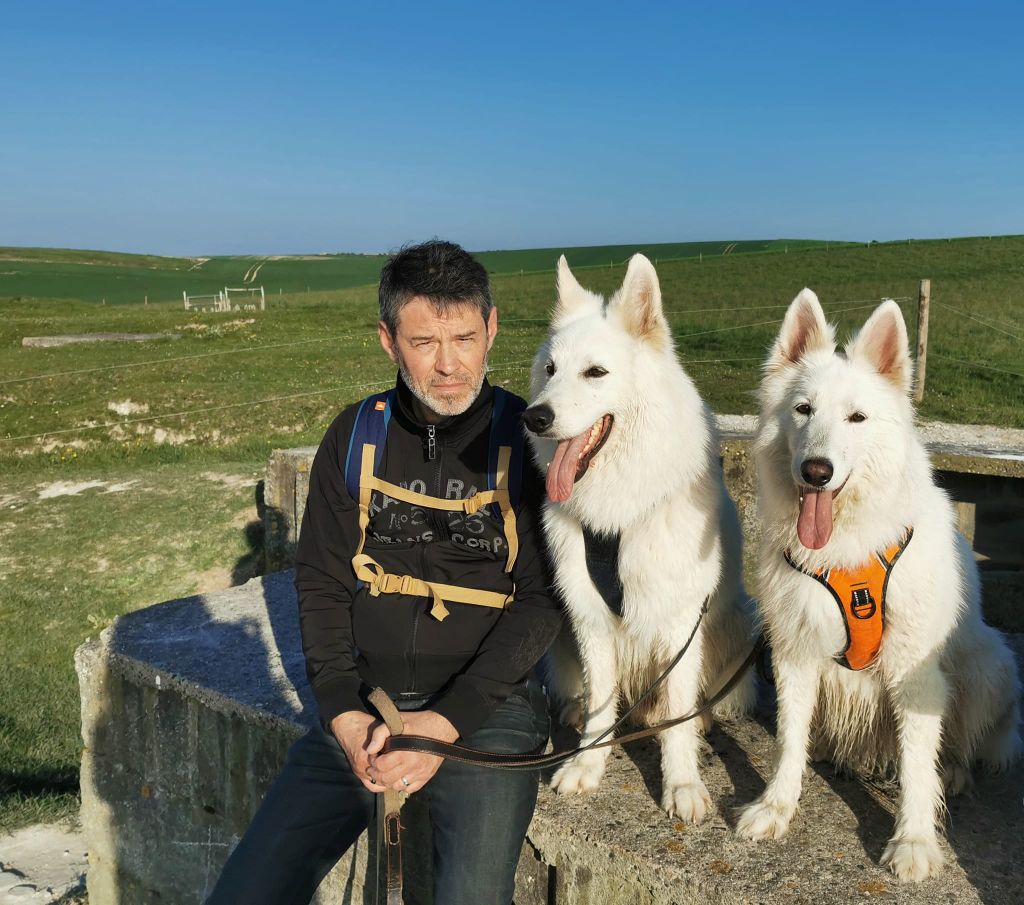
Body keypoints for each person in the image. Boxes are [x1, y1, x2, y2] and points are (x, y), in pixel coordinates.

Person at [207, 239, 562, 905]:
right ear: (388, 340)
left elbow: (542, 602)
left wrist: (446, 722)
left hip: (489, 711)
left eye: (464, 337)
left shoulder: (531, 442)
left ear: (492, 327)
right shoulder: (355, 435)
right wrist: (342, 710)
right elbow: (321, 582)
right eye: (424, 342)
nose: (449, 364)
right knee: (246, 892)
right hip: (365, 704)